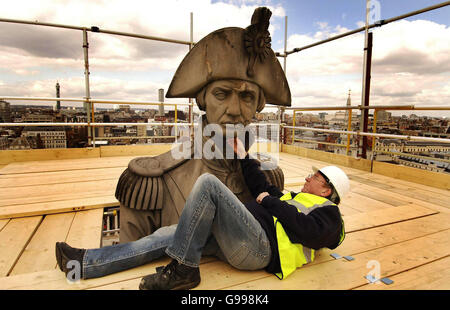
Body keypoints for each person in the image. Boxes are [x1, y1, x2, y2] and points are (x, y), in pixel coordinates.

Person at [56, 138, 349, 290]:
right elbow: (259, 185)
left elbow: (310, 233)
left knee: (209, 184)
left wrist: (267, 201)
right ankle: (85, 263)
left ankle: (183, 270)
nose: (308, 179)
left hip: (259, 250)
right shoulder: (291, 197)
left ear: (326, 191)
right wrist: (243, 156)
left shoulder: (330, 216)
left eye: (316, 178)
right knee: (168, 233)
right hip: (236, 240)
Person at [115, 7, 291, 243]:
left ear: (258, 104)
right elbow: (130, 263)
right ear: (202, 100)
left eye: (247, 97)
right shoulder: (152, 181)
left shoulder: (269, 177)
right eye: (221, 94)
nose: (235, 110)